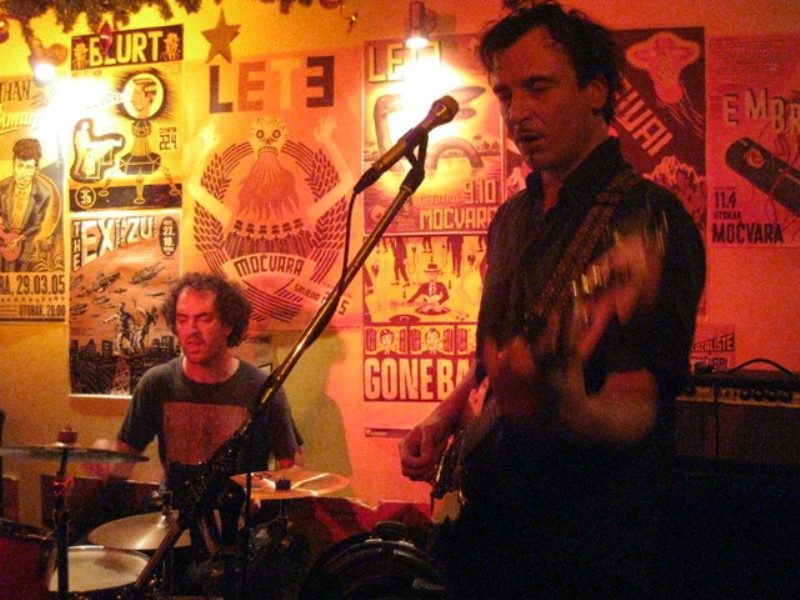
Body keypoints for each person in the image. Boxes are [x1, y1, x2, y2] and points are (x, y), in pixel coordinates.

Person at [398, 4, 705, 598]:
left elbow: (637, 412)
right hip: (491, 530)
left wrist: (565, 404)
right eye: (506, 94)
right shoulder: (512, 218)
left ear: (597, 90)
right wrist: (447, 416)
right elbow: (495, 365)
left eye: (538, 88)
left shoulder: (648, 221)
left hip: (584, 546)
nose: (517, 113)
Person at [88, 272, 302, 592]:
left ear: (228, 324)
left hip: (236, 534)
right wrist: (104, 463)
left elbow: (294, 469)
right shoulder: (157, 383)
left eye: (204, 319)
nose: (191, 330)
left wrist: (260, 494)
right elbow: (125, 460)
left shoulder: (260, 388)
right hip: (173, 528)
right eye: (183, 319)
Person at [0, 138, 61, 272]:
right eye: (20, 166)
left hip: (23, 246)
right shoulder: (2, 186)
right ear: (13, 165)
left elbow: (35, 226)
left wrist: (19, 238)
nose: (23, 174)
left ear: (36, 169)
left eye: (28, 168)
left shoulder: (43, 194)